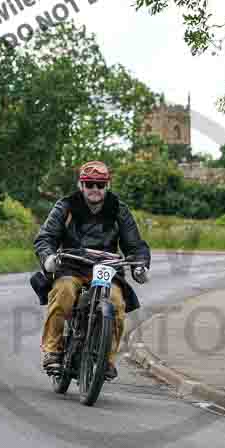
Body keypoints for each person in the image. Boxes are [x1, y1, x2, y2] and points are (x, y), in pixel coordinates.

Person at [33, 161, 151, 381]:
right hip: (72, 265)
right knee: (64, 293)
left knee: (116, 303)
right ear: (81, 185)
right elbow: (46, 237)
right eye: (90, 184)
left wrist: (140, 265)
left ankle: (106, 360)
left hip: (107, 269)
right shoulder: (65, 206)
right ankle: (52, 350)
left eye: (100, 184)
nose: (95, 189)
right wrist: (48, 257)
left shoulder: (119, 209)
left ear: (107, 185)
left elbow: (135, 245)